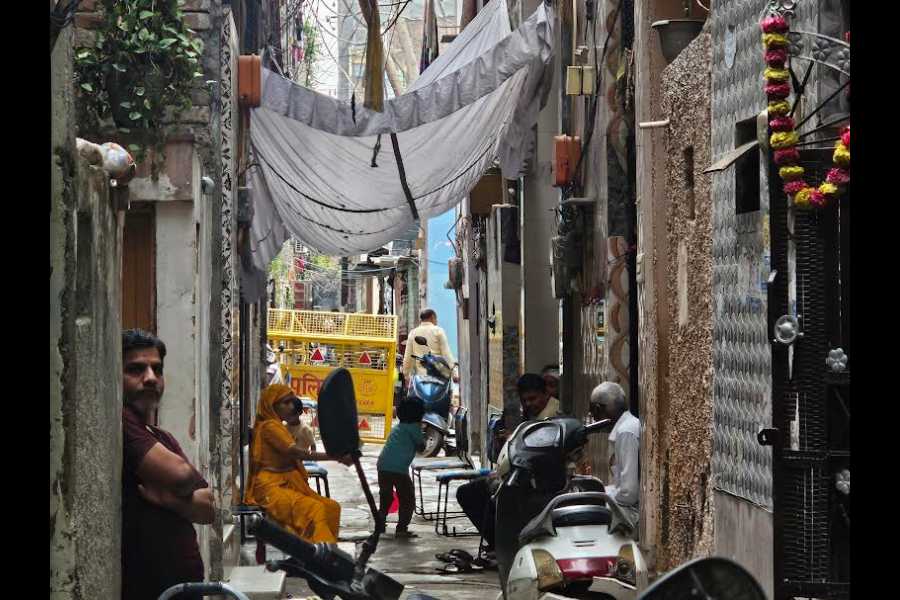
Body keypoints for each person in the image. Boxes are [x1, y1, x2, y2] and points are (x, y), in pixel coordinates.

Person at [121, 329, 214, 600]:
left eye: (156, 369)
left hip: (180, 590)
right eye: (136, 369)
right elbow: (183, 476)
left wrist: (171, 501)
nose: (150, 378)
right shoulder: (122, 423)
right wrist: (185, 496)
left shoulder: (162, 437)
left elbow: (208, 509)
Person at [455, 373, 564, 555]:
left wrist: (514, 439)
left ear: (545, 394)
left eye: (533, 398)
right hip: (517, 474)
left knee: (483, 495)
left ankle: (503, 546)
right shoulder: (533, 416)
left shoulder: (553, 416)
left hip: (537, 480)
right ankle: (499, 544)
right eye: (525, 400)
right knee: (470, 493)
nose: (529, 404)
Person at [244, 384, 353, 543]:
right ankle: (318, 556)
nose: (290, 406)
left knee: (332, 507)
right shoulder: (269, 427)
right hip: (270, 487)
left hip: (286, 482)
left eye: (291, 402)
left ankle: (327, 549)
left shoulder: (277, 425)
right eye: (285, 403)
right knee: (314, 510)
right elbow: (297, 453)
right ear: (271, 405)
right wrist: (336, 457)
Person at [589, 382, 640, 524]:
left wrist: (601, 498)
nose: (594, 419)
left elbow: (629, 493)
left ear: (598, 409)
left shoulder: (626, 432)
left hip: (634, 514)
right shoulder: (626, 427)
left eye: (593, 413)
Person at [376, 398, 426, 538]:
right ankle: (401, 528)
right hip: (399, 470)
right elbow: (421, 448)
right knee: (407, 498)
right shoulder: (415, 428)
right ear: (420, 414)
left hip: (383, 466)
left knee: (386, 496)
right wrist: (423, 435)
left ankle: (380, 523)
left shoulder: (398, 427)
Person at [402, 308, 456, 379]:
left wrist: (406, 375)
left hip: (421, 378)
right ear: (432, 317)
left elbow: (408, 357)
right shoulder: (438, 331)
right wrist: (454, 374)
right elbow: (446, 354)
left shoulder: (413, 333)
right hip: (439, 376)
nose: (436, 321)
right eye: (436, 319)